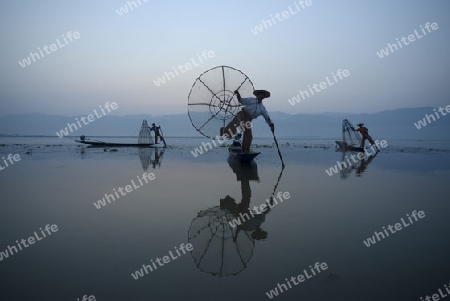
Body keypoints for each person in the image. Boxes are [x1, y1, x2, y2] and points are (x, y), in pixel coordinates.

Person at [220, 89, 274, 154]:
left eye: (262, 95)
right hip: (241, 115)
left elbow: (267, 117)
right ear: (257, 95)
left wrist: (271, 124)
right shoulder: (251, 100)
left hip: (248, 120)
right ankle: (223, 130)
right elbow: (241, 101)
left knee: (249, 136)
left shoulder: (262, 108)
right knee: (233, 129)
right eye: (260, 94)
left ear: (264, 97)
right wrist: (238, 93)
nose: (261, 95)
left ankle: (245, 151)